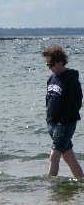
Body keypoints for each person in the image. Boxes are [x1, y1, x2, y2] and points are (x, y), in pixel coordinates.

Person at [41, 45, 84, 177]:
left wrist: (62, 123)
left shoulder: (71, 80)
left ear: (60, 62)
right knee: (69, 158)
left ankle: (50, 190)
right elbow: (49, 100)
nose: (50, 68)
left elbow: (75, 104)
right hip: (52, 124)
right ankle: (81, 183)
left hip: (64, 125)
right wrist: (49, 120)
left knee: (54, 157)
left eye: (52, 64)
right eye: (48, 65)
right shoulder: (51, 79)